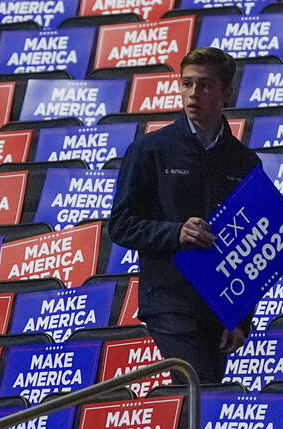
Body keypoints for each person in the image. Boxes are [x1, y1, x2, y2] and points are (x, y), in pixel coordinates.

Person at [108, 46, 262, 384]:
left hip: (219, 305)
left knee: (202, 403)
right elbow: (120, 225)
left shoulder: (244, 161)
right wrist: (175, 233)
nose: (194, 94)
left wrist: (241, 317)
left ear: (227, 94)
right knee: (200, 389)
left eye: (205, 85)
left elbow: (253, 247)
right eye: (187, 84)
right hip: (169, 301)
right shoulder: (149, 150)